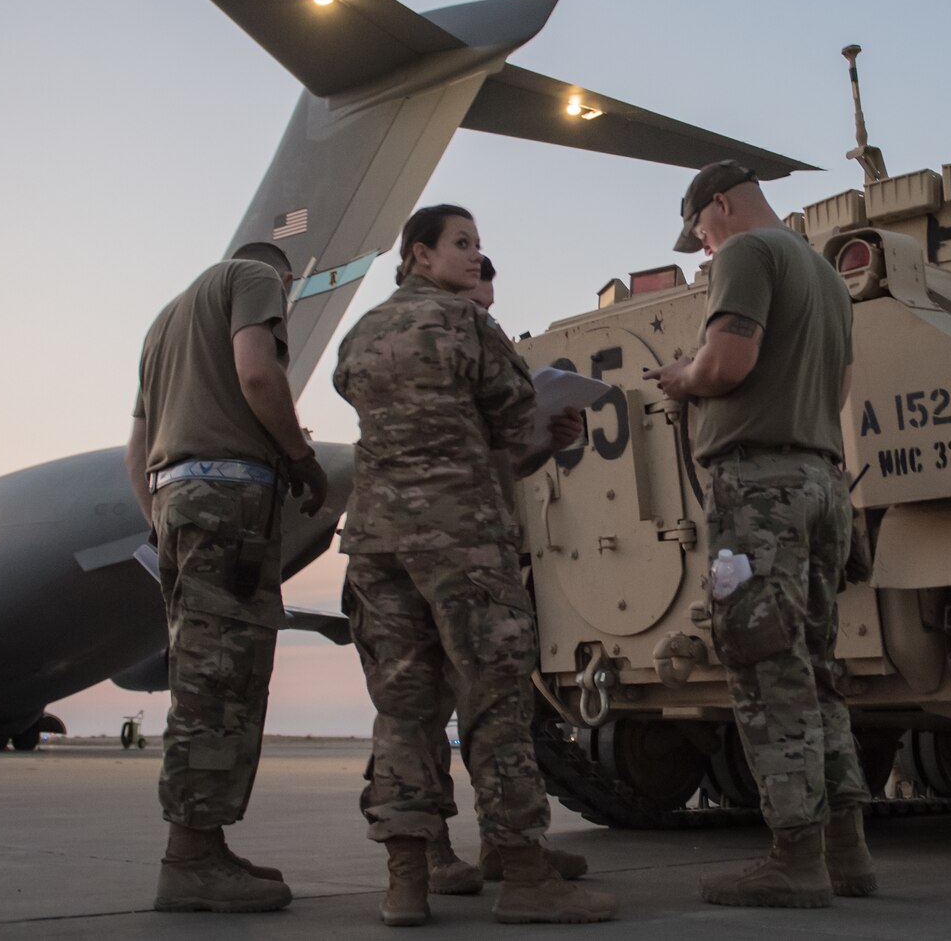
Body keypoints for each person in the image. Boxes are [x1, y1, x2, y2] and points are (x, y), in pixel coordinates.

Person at [333, 205, 616, 927]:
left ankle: (406, 880)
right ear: (419, 254)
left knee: (403, 708)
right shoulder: (465, 323)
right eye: (462, 244)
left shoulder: (361, 333)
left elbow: (358, 395)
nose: (473, 255)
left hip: (376, 539)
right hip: (461, 536)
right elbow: (513, 410)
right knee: (494, 702)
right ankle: (524, 870)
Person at [645, 160, 875, 907]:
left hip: (760, 492)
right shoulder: (829, 278)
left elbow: (730, 360)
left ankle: (794, 858)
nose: (704, 248)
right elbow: (839, 387)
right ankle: (848, 853)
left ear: (719, 206)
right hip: (820, 480)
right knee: (815, 670)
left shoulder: (747, 254)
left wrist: (685, 375)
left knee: (762, 665)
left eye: (700, 232)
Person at [126, 241, 331, 913]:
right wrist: (300, 456)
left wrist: (161, 521)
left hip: (178, 504)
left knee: (202, 673)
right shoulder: (252, 278)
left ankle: (202, 845)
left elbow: (137, 444)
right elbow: (257, 375)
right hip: (230, 506)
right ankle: (190, 856)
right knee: (224, 679)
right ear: (280, 277)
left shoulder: (164, 324)